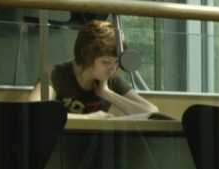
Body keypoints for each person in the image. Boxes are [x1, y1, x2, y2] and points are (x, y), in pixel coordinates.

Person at [28, 19, 159, 118]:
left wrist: (108, 94)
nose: (112, 69)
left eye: (116, 63)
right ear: (86, 55)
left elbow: (151, 112)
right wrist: (88, 118)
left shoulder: (110, 81)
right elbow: (34, 112)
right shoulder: (56, 75)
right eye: (106, 62)